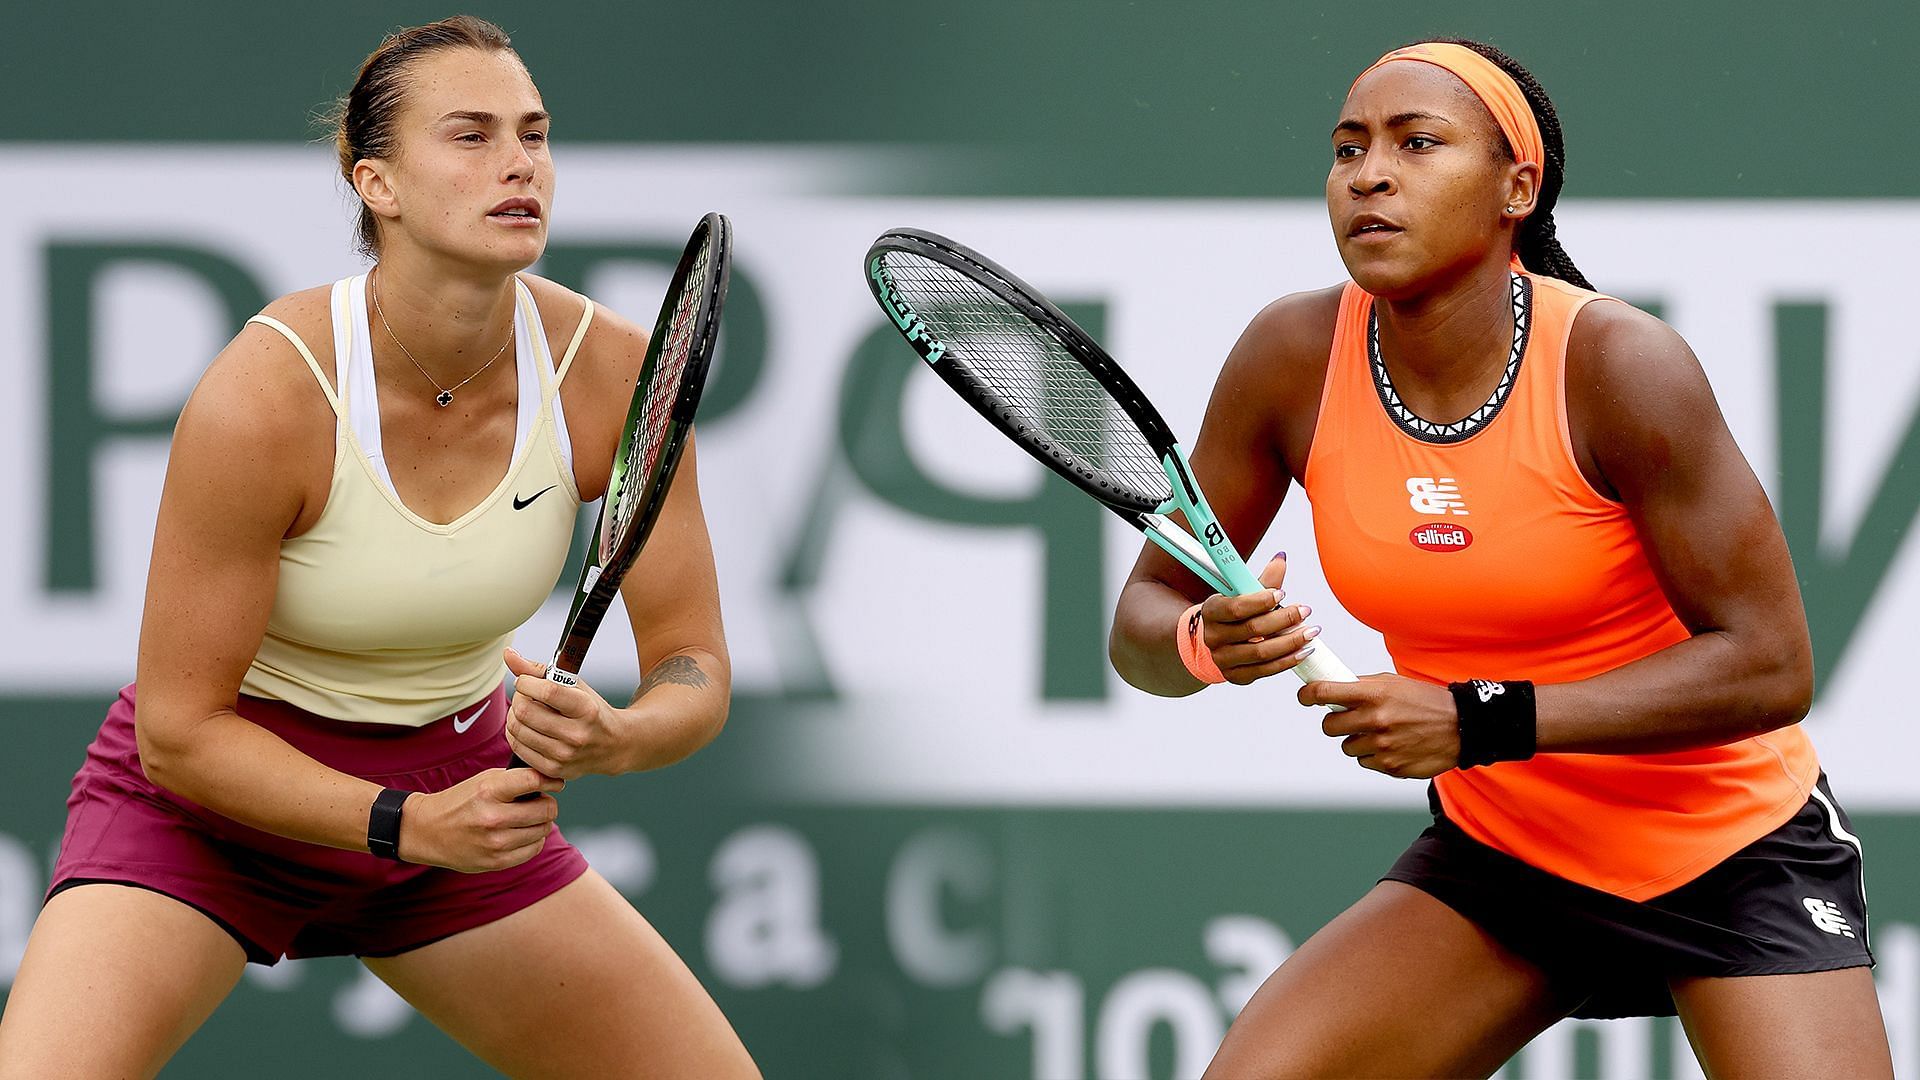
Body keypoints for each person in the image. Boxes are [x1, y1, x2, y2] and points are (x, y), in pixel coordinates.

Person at [1110, 38, 1892, 1078]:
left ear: (1517, 186)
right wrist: (1209, 643)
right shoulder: (1290, 359)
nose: (1369, 175)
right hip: (1508, 858)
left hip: (1726, 850)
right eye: (1347, 150)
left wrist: (1476, 717)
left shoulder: (1620, 366)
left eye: (1417, 143)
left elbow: (1771, 664)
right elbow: (1144, 622)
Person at [0, 16, 759, 1078]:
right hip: (214, 811)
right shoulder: (268, 394)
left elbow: (694, 664)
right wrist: (403, 821)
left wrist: (618, 738)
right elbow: (178, 732)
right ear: (378, 185)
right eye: (471, 136)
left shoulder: (611, 375)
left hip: (460, 796)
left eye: (534, 135)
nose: (519, 164)